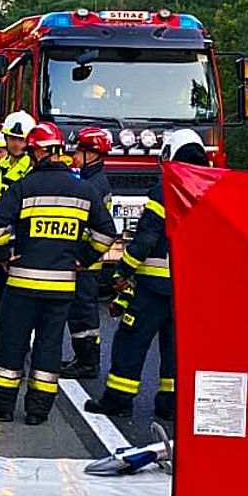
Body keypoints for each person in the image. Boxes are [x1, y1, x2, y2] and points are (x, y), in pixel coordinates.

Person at [0, 122, 117, 425]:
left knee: (11, 345)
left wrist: (4, 256)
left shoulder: (23, 187)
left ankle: (1, 407)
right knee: (49, 348)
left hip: (22, 286)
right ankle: (38, 412)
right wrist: (82, 259)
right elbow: (107, 233)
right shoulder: (84, 189)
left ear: (39, 151)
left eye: (31, 152)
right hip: (61, 287)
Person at [85, 129, 209, 424]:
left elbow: (146, 238)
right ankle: (170, 404)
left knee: (131, 339)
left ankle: (118, 400)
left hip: (154, 286)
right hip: (189, 287)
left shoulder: (166, 190)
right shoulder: (210, 189)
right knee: (175, 346)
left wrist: (123, 270)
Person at [0, 111, 35, 359]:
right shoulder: (0, 167)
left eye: (20, 139)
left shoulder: (31, 169)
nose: (15, 143)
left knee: (11, 304)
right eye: (12, 138)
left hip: (17, 245)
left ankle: (8, 347)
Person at [61, 127, 113, 379]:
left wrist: (83, 257)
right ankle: (82, 358)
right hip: (83, 260)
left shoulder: (94, 185)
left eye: (78, 151)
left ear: (92, 154)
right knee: (80, 313)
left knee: (84, 314)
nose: (73, 156)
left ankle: (88, 363)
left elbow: (100, 229)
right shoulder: (91, 180)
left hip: (86, 263)